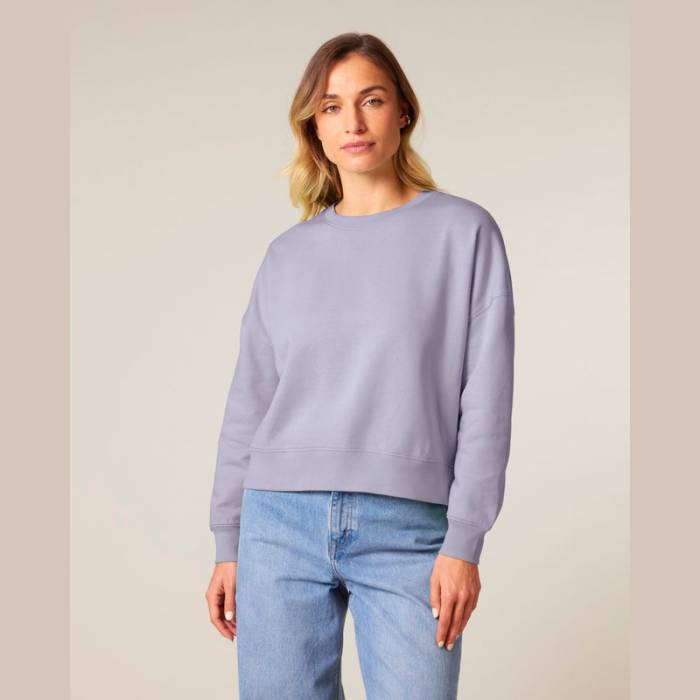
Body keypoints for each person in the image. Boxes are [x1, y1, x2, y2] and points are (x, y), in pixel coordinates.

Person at [204, 32, 515, 699]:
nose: (353, 121)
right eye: (331, 106)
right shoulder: (288, 255)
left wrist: (464, 541)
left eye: (370, 100)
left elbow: (487, 399)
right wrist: (228, 539)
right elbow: (249, 401)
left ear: (403, 111)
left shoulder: (464, 233)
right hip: (277, 525)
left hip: (409, 530)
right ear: (314, 127)